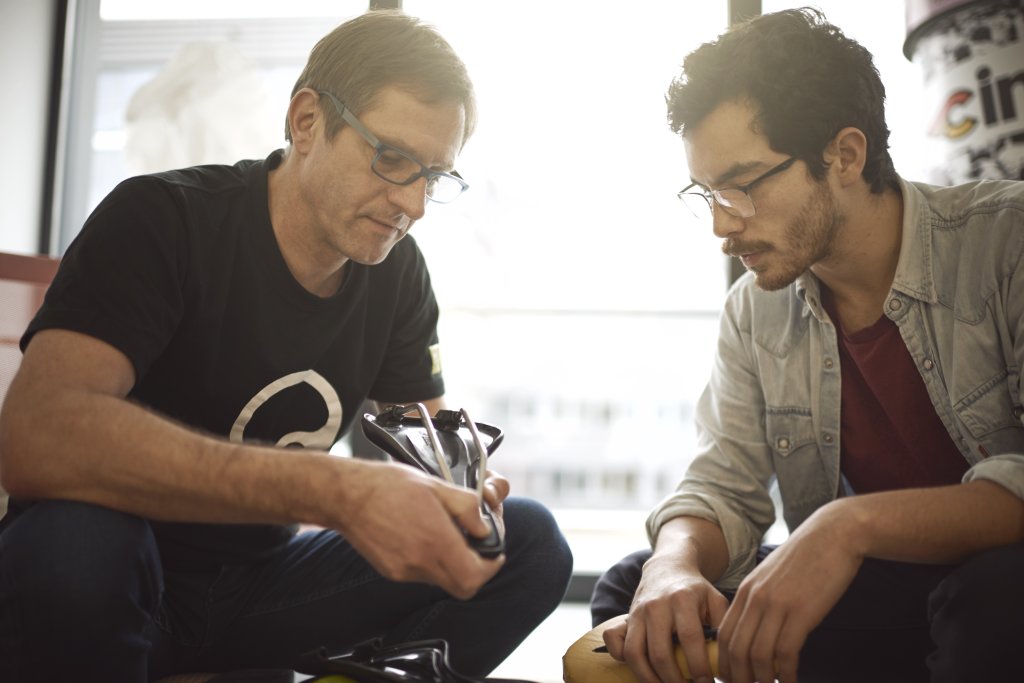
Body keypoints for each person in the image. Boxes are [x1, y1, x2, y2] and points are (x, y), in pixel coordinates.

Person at [0, 10, 572, 682]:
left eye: (434, 176)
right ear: (306, 122)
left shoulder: (397, 271)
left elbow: (423, 450)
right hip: (125, 570)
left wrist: (459, 495)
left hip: (259, 586)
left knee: (527, 542)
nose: (413, 203)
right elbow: (36, 435)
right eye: (392, 159)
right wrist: (334, 489)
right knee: (71, 548)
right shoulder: (162, 219)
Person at [589, 8, 1024, 683]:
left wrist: (846, 525)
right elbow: (725, 480)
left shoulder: (1007, 243)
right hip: (880, 595)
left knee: (998, 595)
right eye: (706, 193)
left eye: (742, 186)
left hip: (989, 585)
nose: (721, 225)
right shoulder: (754, 312)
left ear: (844, 155)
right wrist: (673, 560)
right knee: (635, 596)